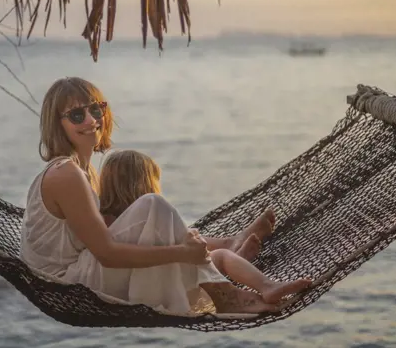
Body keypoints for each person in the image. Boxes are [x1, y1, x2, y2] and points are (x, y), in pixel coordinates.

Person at [19, 77, 305, 314]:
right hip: (64, 285)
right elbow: (107, 253)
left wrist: (187, 249)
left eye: (97, 109)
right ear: (58, 125)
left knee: (159, 222)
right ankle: (231, 289)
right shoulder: (65, 174)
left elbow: (105, 234)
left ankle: (242, 266)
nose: (91, 120)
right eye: (77, 115)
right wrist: (183, 253)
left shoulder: (85, 172)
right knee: (152, 205)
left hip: (80, 274)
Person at [98, 149, 313, 305]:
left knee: (220, 256)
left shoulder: (108, 222)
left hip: (165, 281)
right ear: (142, 185)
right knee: (194, 243)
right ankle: (233, 247)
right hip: (152, 288)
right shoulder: (117, 225)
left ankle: (265, 284)